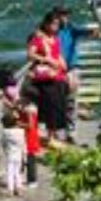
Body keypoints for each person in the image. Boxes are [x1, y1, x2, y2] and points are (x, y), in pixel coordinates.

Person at [26, 14, 73, 142]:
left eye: (57, 24)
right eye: (53, 24)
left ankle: (55, 134)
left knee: (60, 104)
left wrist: (65, 68)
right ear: (46, 24)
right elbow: (30, 54)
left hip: (58, 74)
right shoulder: (38, 38)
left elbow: (58, 54)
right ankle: (50, 136)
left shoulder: (54, 38)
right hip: (47, 77)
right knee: (51, 105)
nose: (56, 27)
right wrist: (46, 59)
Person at [0, 66, 31, 195]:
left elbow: (10, 103)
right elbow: (17, 103)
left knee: (10, 166)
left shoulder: (4, 90)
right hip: (15, 128)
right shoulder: (14, 88)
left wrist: (4, 100)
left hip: (8, 124)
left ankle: (11, 188)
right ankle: (18, 187)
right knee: (18, 166)